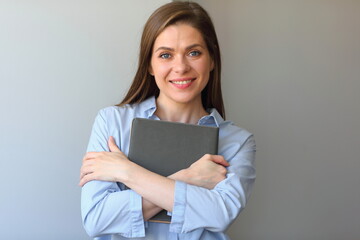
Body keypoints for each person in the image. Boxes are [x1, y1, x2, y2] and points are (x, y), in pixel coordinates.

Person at [79, 2, 256, 240]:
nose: (181, 67)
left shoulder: (237, 142)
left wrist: (126, 171)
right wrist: (189, 178)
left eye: (194, 52)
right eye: (165, 55)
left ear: (212, 60)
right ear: (150, 65)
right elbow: (97, 219)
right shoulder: (112, 122)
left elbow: (218, 215)